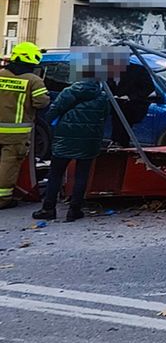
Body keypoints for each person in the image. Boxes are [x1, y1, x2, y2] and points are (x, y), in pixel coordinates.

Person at [31, 65, 110, 222]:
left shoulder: (69, 92)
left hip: (64, 138)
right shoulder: (102, 97)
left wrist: (48, 124)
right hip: (89, 141)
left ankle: (48, 208)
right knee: (82, 176)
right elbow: (105, 116)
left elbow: (54, 110)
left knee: (55, 174)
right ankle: (74, 210)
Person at [0, 42, 50, 209]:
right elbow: (41, 103)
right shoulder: (33, 80)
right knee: (8, 165)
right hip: (16, 132)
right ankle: (3, 199)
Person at [109, 61, 155, 148]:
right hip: (115, 105)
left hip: (132, 106)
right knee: (117, 126)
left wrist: (130, 97)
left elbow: (149, 87)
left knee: (123, 128)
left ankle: (120, 143)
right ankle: (115, 142)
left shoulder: (138, 70)